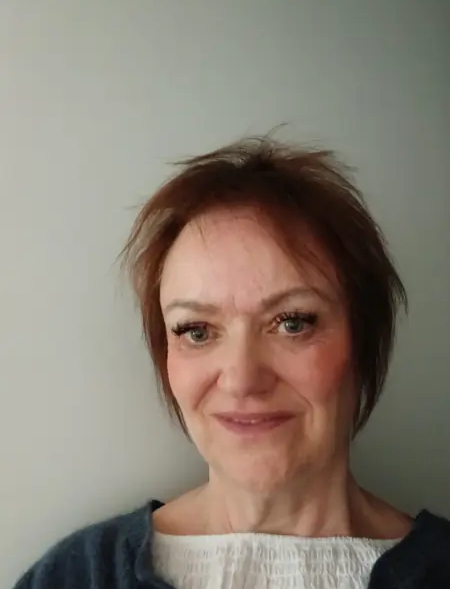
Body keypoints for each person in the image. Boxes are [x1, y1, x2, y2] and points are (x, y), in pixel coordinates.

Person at [13, 136, 450, 589]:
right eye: (197, 331)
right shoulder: (77, 576)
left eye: (292, 323)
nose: (242, 379)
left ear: (363, 337)